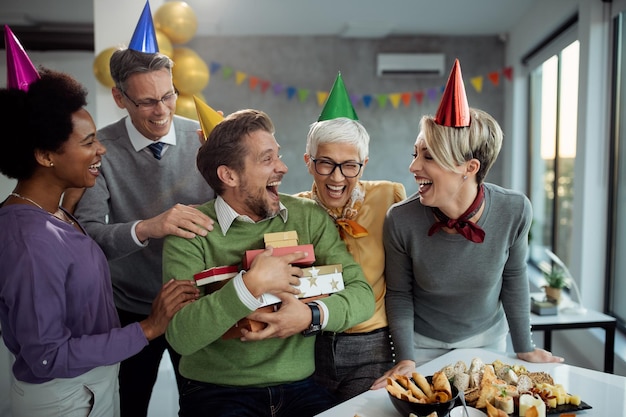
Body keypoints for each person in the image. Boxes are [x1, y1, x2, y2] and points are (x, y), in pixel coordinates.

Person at [0, 35, 199, 416]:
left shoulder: (56, 213)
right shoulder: (29, 239)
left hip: (101, 374)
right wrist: (146, 328)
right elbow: (46, 356)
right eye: (89, 142)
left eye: (168, 96)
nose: (101, 150)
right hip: (77, 387)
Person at [162, 107, 375, 417]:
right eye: (267, 159)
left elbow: (361, 294)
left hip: (300, 387)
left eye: (278, 155)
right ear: (229, 175)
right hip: (216, 391)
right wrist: (249, 286)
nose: (283, 168)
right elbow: (181, 336)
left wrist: (310, 316)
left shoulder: (309, 216)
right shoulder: (190, 233)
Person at [372, 60, 563, 389]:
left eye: (428, 156)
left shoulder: (514, 209)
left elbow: (514, 279)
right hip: (421, 346)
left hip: (488, 341)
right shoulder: (400, 219)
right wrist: (405, 358)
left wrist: (524, 347)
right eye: (415, 153)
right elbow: (400, 294)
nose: (413, 166)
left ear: (469, 167)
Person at [71, 9, 215, 416]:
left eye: (168, 96)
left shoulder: (205, 137)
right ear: (120, 98)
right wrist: (151, 227)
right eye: (147, 101)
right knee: (127, 405)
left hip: (196, 304)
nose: (161, 110)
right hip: (130, 310)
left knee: (206, 405)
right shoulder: (99, 149)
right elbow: (89, 238)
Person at [295, 73, 406, 402]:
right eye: (326, 164)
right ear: (308, 162)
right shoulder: (293, 210)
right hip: (308, 346)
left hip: (371, 347)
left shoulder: (390, 197)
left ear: (364, 164)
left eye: (350, 166)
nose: (337, 178)